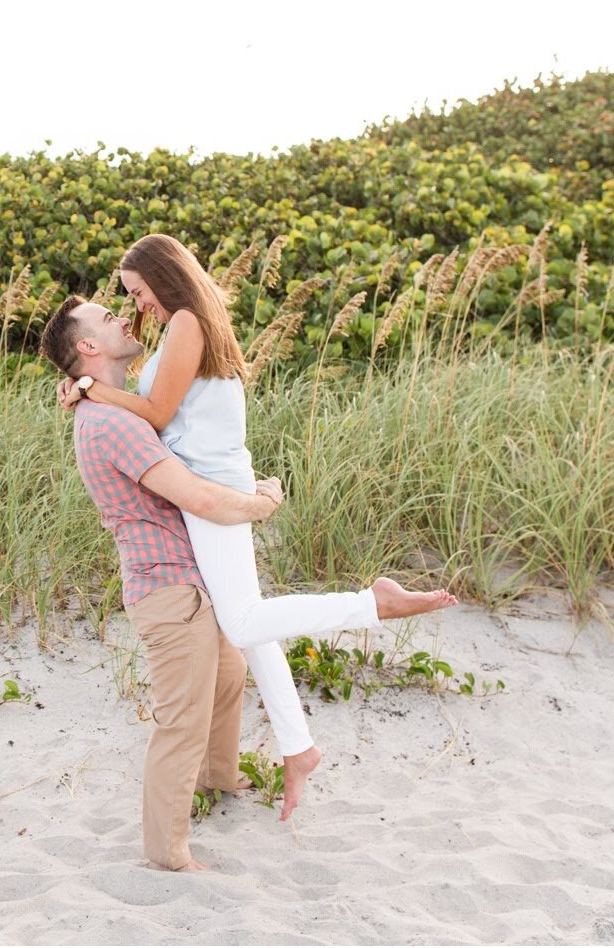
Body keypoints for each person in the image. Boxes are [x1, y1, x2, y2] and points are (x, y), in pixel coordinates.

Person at [55, 234, 456, 820]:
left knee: (242, 622)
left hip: (212, 493)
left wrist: (92, 389)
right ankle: (299, 748)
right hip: (214, 485)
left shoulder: (187, 322)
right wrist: (85, 382)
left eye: (138, 292)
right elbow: (153, 396)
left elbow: (160, 415)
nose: (136, 305)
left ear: (164, 279)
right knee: (250, 617)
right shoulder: (183, 327)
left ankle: (372, 604)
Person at [38, 294, 286, 872]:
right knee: (182, 716)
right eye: (107, 317)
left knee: (228, 678)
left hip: (190, 577)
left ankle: (219, 780)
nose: (124, 317)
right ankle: (168, 853)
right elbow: (194, 495)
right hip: (168, 588)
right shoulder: (110, 424)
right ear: (88, 347)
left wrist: (86, 387)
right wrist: (262, 503)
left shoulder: (114, 408)